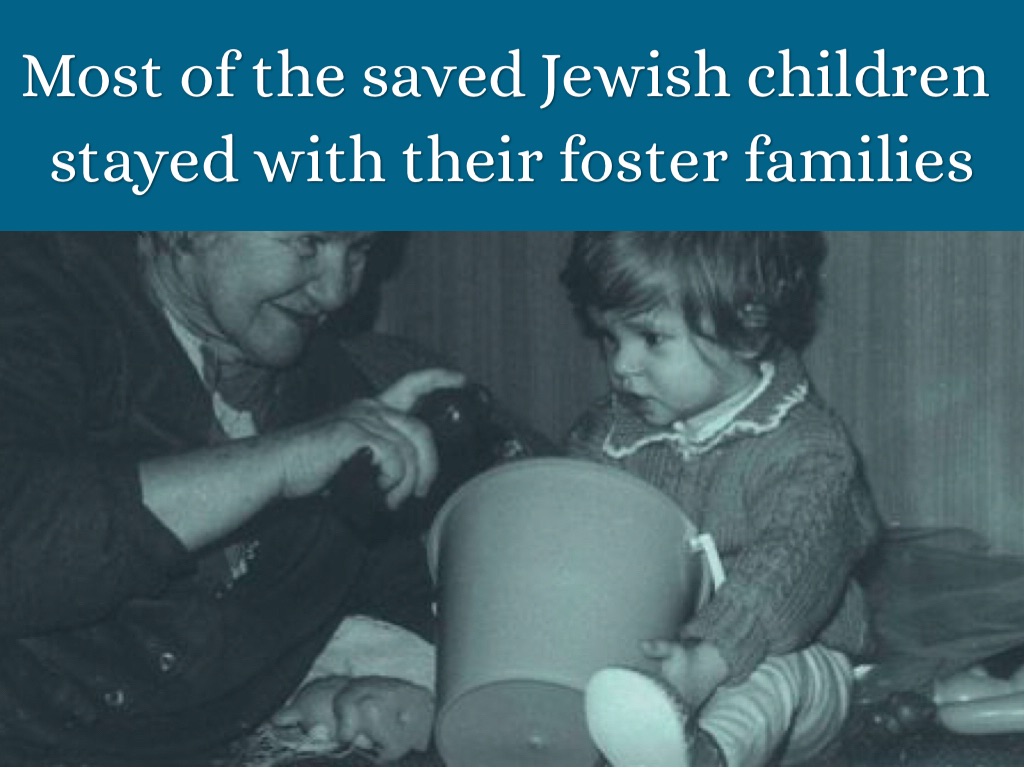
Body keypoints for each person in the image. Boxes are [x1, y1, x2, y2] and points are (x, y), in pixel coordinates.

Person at [0, 231, 465, 763]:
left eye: (359, 250)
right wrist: (280, 463)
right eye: (308, 243)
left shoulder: (335, 392)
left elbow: (403, 593)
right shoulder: (35, 298)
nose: (337, 292)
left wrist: (403, 680)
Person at [560, 231, 882, 766]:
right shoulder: (607, 436)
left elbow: (786, 567)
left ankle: (709, 752)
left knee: (778, 675)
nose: (622, 365)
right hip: (659, 656)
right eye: (610, 339)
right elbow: (568, 529)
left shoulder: (811, 452)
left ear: (747, 331)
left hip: (787, 661)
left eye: (651, 338)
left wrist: (709, 658)